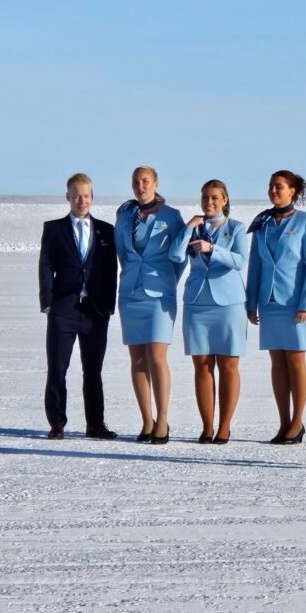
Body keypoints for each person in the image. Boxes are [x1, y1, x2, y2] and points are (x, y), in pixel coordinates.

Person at [38, 173, 118, 440]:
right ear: (68, 197)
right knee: (58, 369)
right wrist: (48, 302)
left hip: (94, 311)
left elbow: (110, 271)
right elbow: (46, 266)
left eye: (85, 195)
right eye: (76, 195)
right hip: (64, 309)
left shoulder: (106, 231)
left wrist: (108, 305)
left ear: (92, 197)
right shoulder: (53, 228)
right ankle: (57, 423)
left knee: (93, 370)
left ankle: (95, 424)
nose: (81, 200)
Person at [170, 180, 248, 444]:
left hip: (228, 304)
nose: (209, 202)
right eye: (205, 197)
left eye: (214, 197)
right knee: (201, 365)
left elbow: (239, 261)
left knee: (228, 365)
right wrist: (188, 228)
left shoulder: (235, 228)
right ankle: (206, 426)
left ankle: (224, 426)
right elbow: (175, 256)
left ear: (225, 199)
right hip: (197, 302)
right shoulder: (193, 229)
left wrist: (213, 248)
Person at [114, 165, 187, 444]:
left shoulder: (172, 216)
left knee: (157, 357)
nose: (140, 186)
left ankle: (163, 420)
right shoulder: (124, 216)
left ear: (156, 183)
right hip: (131, 293)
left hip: (160, 295)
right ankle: (147, 420)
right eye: (136, 182)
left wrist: (167, 282)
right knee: (138, 360)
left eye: (145, 181)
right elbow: (124, 255)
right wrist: (134, 278)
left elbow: (180, 258)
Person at [246, 170, 306, 445]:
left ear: (292, 191)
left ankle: (297, 422)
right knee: (277, 361)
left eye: (279, 186)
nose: (273, 191)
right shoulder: (262, 223)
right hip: (269, 302)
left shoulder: (305, 222)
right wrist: (250, 301)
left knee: (296, 360)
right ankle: (284, 421)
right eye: (270, 186)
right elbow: (255, 264)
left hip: (295, 302)